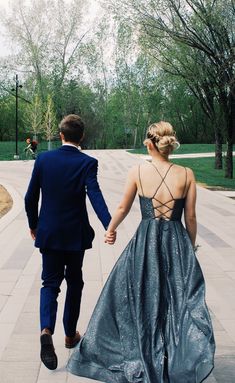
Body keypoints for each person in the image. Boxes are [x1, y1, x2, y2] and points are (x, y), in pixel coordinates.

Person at [67, 121, 215, 382]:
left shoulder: (137, 171)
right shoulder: (187, 174)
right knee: (177, 299)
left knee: (141, 294)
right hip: (175, 241)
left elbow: (123, 208)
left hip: (146, 240)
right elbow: (190, 218)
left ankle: (142, 347)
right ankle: (174, 354)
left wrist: (110, 229)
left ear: (149, 143)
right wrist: (189, 248)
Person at [24, 114, 112, 371]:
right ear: (81, 136)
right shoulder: (88, 163)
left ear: (61, 135)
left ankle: (45, 329)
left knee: (49, 282)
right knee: (75, 281)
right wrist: (109, 225)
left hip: (49, 233)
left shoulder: (44, 159)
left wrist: (33, 225)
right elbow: (95, 195)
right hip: (75, 235)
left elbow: (30, 197)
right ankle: (70, 335)